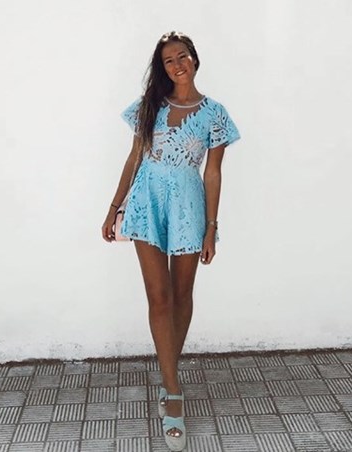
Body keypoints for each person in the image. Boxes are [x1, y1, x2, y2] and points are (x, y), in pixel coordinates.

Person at [101, 31, 240, 451]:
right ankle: (174, 392)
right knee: (159, 298)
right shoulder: (150, 106)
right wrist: (114, 207)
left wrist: (211, 227)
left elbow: (212, 172)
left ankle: (167, 376)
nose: (177, 64)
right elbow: (134, 157)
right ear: (162, 69)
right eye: (168, 60)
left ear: (194, 59)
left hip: (187, 207)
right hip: (146, 201)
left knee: (182, 295)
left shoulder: (215, 114)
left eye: (183, 56)